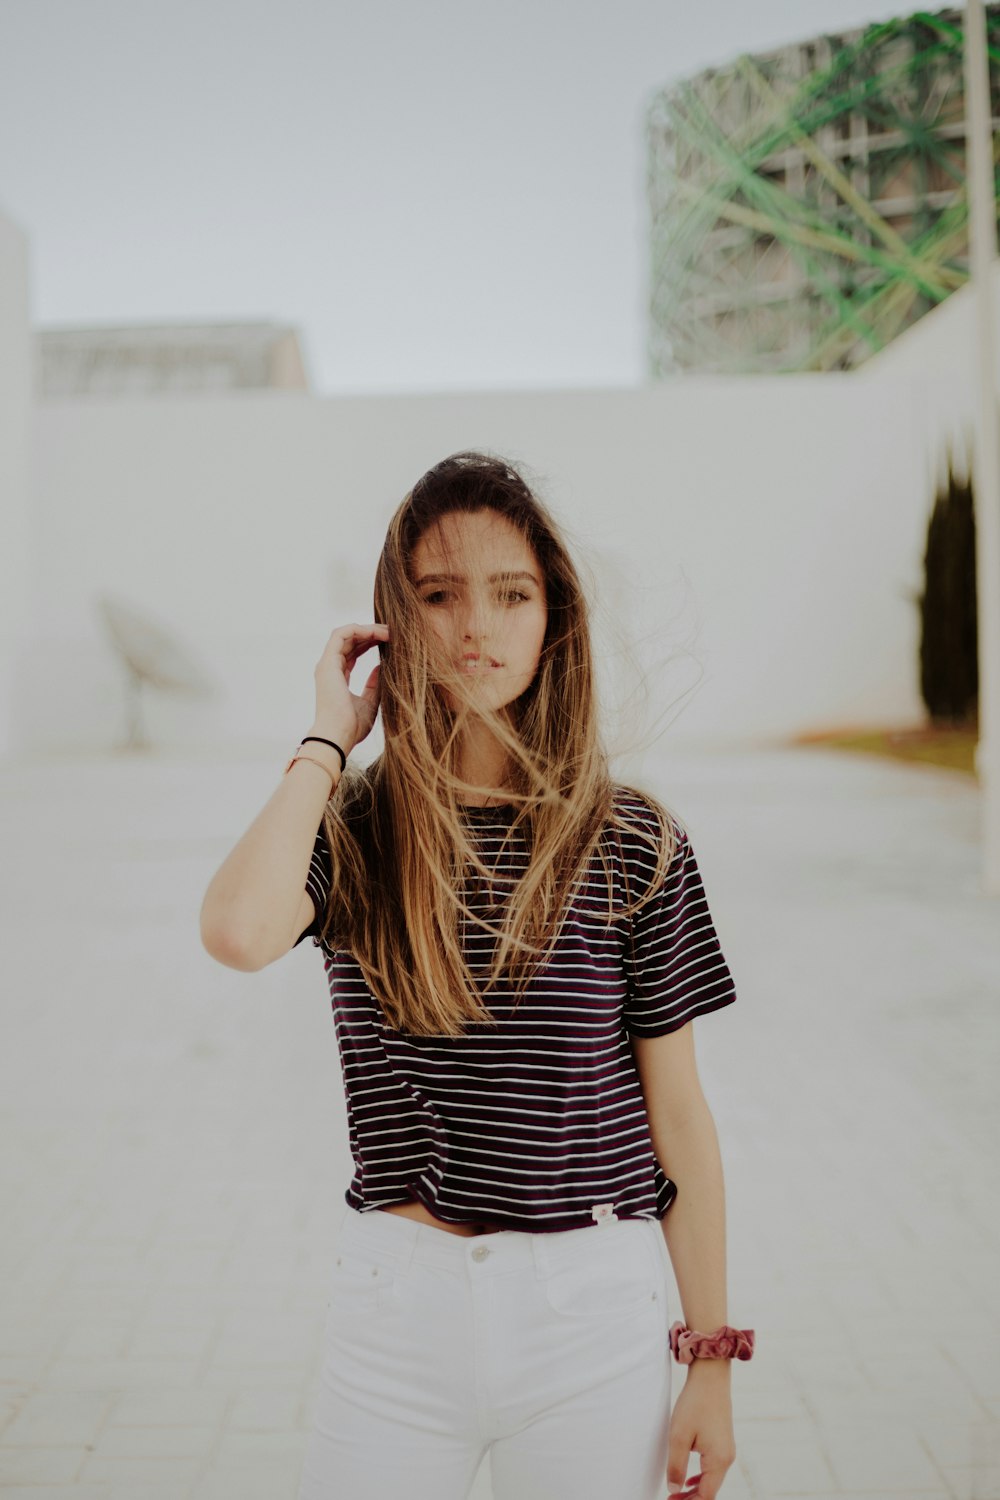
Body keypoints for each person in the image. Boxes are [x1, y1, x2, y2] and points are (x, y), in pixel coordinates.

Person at [200, 450, 753, 1500]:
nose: (476, 627)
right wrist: (329, 739)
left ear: (555, 618)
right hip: (395, 1313)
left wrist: (711, 1362)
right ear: (390, 627)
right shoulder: (356, 829)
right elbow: (234, 930)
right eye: (437, 595)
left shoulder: (632, 841)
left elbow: (678, 1116)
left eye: (511, 594)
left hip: (591, 1312)